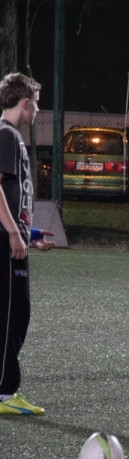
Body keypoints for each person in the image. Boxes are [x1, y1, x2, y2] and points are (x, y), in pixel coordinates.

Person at [0, 72, 55, 416]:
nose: (37, 110)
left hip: (11, 237)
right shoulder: (6, 136)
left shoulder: (10, 136)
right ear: (24, 102)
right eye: (36, 103)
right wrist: (12, 233)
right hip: (4, 241)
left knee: (16, 314)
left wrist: (27, 233)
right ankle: (5, 393)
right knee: (11, 315)